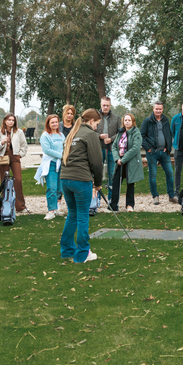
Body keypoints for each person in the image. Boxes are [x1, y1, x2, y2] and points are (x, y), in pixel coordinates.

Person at [59, 108, 103, 263]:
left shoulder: (72, 132)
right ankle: (83, 254)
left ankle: (67, 250)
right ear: (91, 121)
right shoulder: (90, 134)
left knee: (72, 214)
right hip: (80, 180)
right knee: (83, 216)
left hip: (65, 179)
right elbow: (97, 162)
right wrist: (98, 183)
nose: (97, 127)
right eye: (97, 123)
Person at [141, 101, 176, 205]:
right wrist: (148, 149)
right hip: (152, 153)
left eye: (160, 109)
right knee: (152, 175)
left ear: (162, 109)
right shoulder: (147, 121)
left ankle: (171, 196)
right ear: (153, 109)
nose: (158, 111)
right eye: (156, 109)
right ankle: (155, 196)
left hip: (164, 153)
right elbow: (141, 136)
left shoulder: (165, 120)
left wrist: (168, 147)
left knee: (170, 173)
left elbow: (168, 135)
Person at [0, 113, 29, 215]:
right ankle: (5, 206)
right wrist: (2, 142)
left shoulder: (19, 132)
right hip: (3, 156)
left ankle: (20, 206)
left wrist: (20, 155)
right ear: (5, 121)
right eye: (9, 120)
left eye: (12, 120)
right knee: (4, 181)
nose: (11, 122)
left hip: (15, 156)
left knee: (17, 180)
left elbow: (24, 145)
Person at [110, 114, 143, 211]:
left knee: (130, 183)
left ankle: (130, 205)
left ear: (133, 121)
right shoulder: (120, 132)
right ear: (123, 122)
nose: (127, 122)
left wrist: (123, 159)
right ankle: (113, 205)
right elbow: (114, 146)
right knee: (116, 182)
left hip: (130, 161)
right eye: (125, 120)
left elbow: (135, 148)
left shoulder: (136, 132)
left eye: (129, 120)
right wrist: (117, 159)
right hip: (119, 161)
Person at [37, 114, 65, 220]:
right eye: (52, 122)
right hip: (51, 164)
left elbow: (65, 146)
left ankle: (57, 208)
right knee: (51, 188)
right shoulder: (45, 135)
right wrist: (61, 155)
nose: (54, 124)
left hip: (61, 164)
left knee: (59, 188)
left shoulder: (61, 135)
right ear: (48, 123)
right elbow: (47, 150)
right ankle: (51, 210)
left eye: (56, 122)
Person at [98, 97, 121, 197]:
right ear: (101, 105)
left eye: (107, 105)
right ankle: (97, 198)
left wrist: (111, 139)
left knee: (112, 174)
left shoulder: (116, 118)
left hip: (112, 149)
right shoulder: (95, 117)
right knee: (97, 173)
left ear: (110, 105)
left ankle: (111, 198)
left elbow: (120, 133)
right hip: (98, 149)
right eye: (104, 105)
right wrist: (99, 136)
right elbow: (90, 131)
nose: (105, 107)